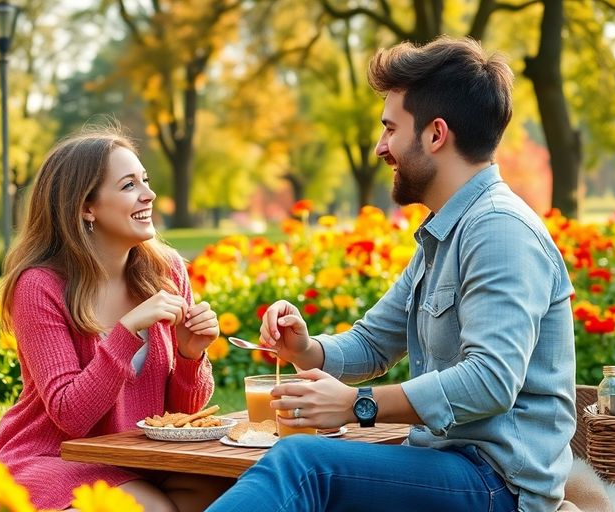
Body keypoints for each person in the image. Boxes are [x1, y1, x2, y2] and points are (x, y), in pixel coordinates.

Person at [208, 36, 576, 512]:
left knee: (305, 464)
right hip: (447, 468)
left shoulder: (498, 229)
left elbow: (491, 379)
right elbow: (372, 344)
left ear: (435, 134)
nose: (381, 147)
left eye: (390, 128)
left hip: (497, 486)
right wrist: (304, 347)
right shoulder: (443, 234)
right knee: (301, 463)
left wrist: (359, 404)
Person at [0, 127, 230, 512]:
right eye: (129, 185)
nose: (148, 194)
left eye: (145, 181)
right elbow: (71, 416)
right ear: (86, 207)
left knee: (233, 495)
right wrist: (128, 330)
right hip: (55, 457)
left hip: (141, 459)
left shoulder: (166, 273)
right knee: (153, 509)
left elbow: (181, 416)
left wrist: (189, 355)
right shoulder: (39, 286)